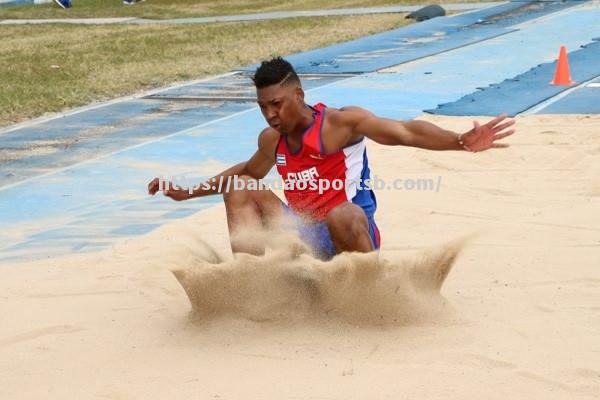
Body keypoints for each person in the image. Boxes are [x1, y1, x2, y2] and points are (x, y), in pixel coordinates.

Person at [148, 57, 515, 260]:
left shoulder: (341, 124)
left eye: (276, 104)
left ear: (299, 94)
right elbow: (245, 171)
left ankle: (368, 290)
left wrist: (459, 141)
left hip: (349, 231)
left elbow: (405, 132)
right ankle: (254, 284)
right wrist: (187, 192)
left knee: (343, 211)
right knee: (242, 187)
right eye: (263, 107)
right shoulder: (271, 139)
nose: (270, 114)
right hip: (302, 235)